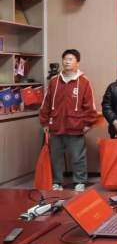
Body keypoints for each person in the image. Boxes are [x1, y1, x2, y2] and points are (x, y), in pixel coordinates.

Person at [40, 49, 97, 192]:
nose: (67, 62)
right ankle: (56, 182)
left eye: (71, 59)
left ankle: (79, 181)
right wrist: (45, 122)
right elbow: (46, 103)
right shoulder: (54, 81)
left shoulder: (84, 81)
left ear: (77, 63)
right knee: (55, 157)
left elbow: (90, 104)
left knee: (78, 157)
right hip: (56, 125)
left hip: (75, 125)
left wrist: (88, 123)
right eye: (65, 59)